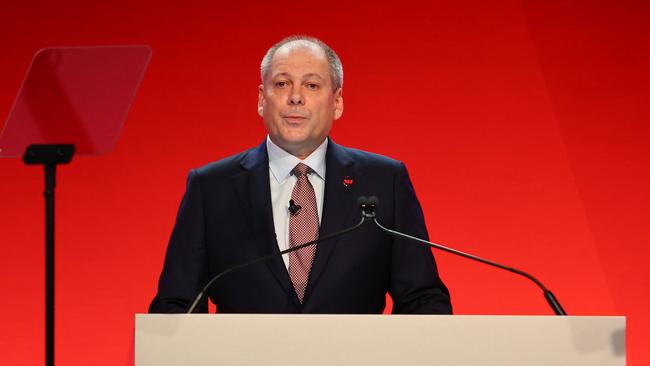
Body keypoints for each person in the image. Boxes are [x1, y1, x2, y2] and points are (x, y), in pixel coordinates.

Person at [149, 35, 452, 314]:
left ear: (337, 102)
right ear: (261, 98)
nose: (296, 97)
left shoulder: (385, 182)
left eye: (312, 85)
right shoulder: (211, 188)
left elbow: (423, 301)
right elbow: (176, 306)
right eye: (281, 84)